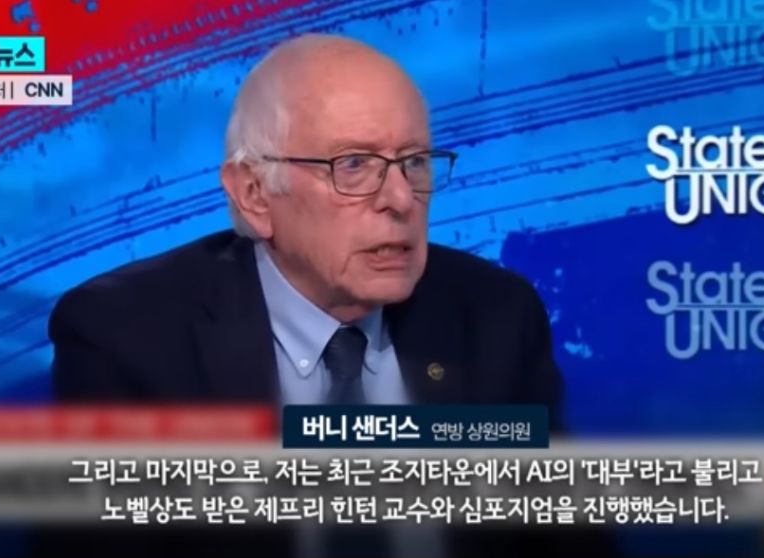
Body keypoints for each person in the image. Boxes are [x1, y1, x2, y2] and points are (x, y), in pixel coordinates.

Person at [49, 33, 563, 424]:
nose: (401, 199)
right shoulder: (127, 336)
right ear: (254, 194)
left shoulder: (497, 317)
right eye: (354, 165)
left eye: (414, 162)